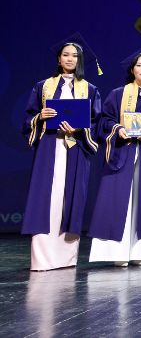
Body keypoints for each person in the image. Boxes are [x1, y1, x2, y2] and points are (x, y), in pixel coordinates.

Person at [21, 34, 103, 271]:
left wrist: (79, 129)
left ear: (80, 60)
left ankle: (66, 258)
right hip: (49, 147)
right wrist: (40, 117)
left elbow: (96, 123)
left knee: (70, 199)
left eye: (75, 56)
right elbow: (28, 119)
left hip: (75, 147)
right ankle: (43, 259)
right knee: (47, 198)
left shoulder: (90, 89)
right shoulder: (43, 86)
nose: (70, 59)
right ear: (59, 59)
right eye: (65, 55)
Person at [88, 47, 141, 266]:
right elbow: (104, 121)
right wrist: (119, 129)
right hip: (122, 152)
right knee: (117, 200)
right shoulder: (118, 94)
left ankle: (139, 252)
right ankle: (116, 253)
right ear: (132, 70)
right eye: (139, 65)